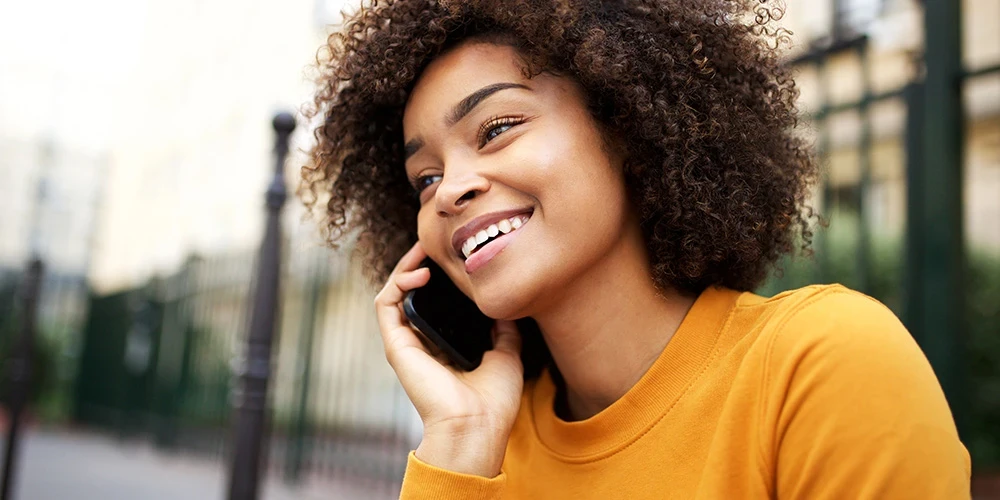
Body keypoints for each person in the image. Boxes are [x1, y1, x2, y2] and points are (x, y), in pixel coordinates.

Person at [300, 0, 971, 497]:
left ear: (625, 124)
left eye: (496, 127)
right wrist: (460, 439)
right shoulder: (483, 449)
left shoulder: (821, 366)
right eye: (426, 178)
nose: (449, 192)